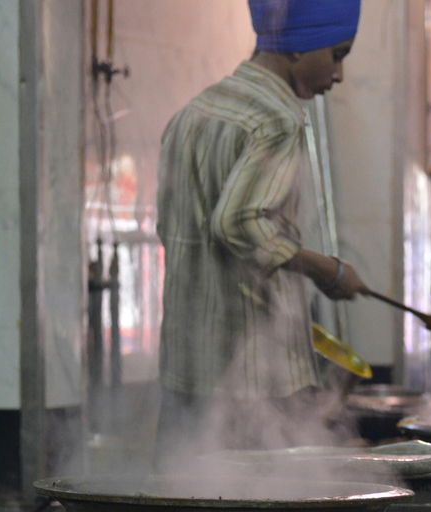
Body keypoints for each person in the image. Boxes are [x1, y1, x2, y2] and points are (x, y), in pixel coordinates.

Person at [154, 0, 367, 472]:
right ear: (297, 47)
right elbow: (239, 222)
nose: (338, 75)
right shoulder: (278, 120)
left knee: (177, 496)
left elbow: (172, 232)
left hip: (186, 374)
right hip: (254, 389)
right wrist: (325, 269)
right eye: (337, 54)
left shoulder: (193, 114)